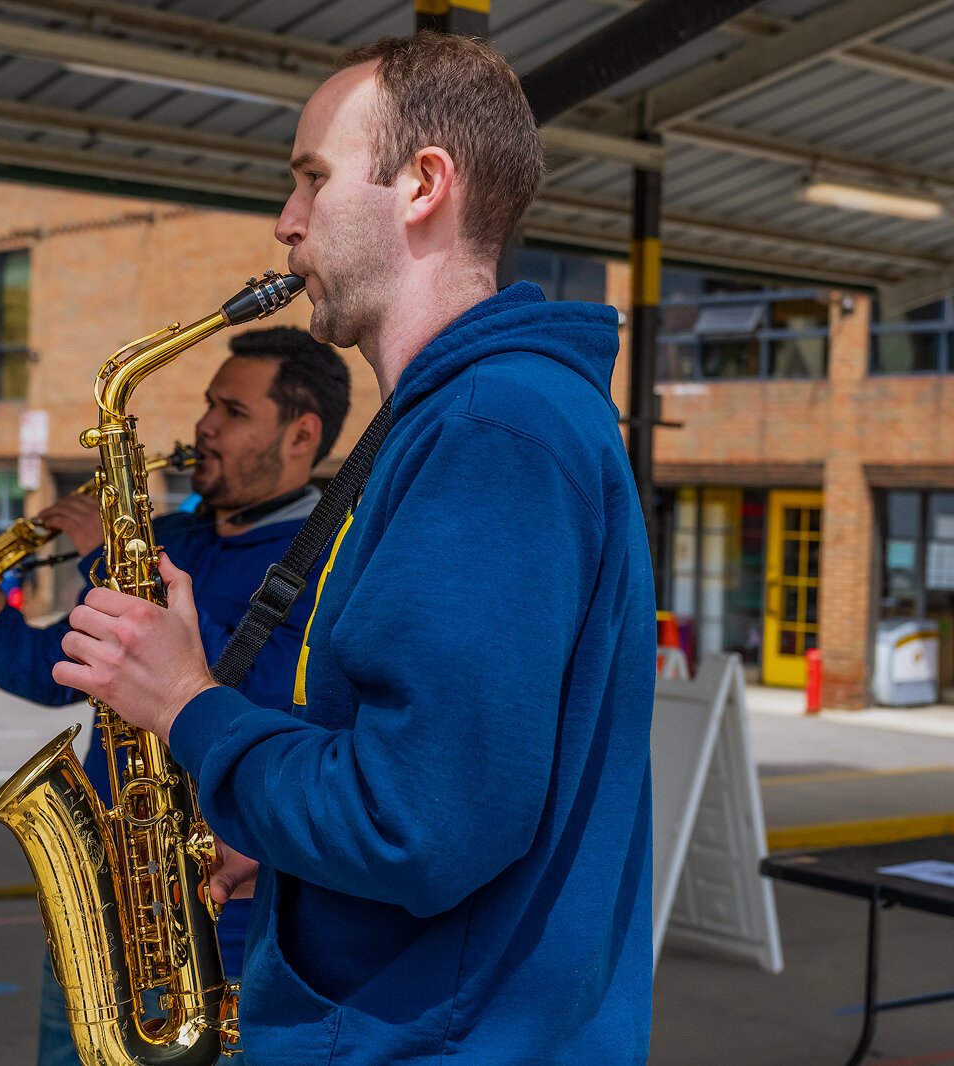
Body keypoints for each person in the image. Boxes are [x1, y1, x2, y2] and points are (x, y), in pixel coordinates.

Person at [53, 32, 656, 1065]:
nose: (287, 223)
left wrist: (187, 705)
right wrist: (285, 834)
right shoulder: (472, 417)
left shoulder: (487, 430)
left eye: (312, 180)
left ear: (423, 185)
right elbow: (436, 785)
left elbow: (415, 825)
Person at [0, 326, 351, 1066]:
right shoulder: (173, 538)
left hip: (225, 929)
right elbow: (55, 667)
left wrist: (109, 554)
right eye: (207, 404)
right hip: (102, 909)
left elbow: (252, 689)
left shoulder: (339, 556)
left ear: (302, 435)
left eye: (232, 410)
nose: (204, 426)